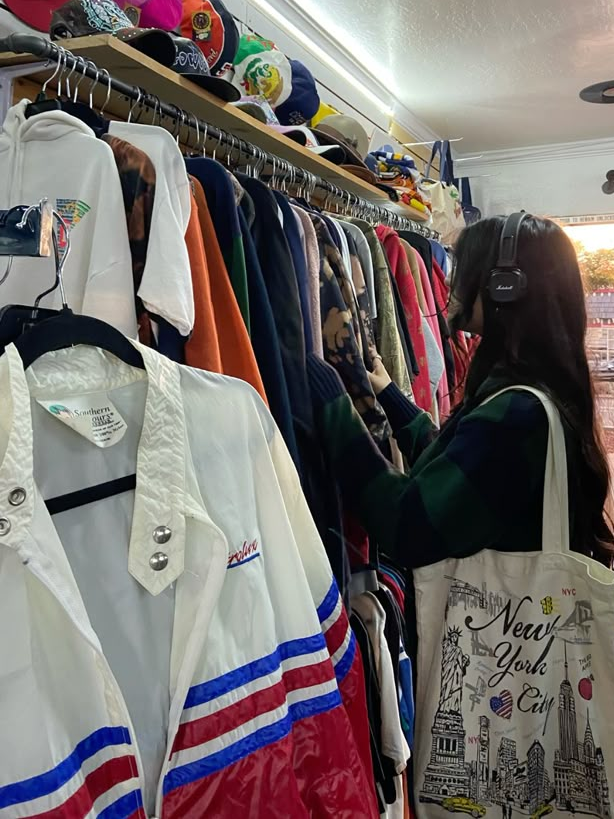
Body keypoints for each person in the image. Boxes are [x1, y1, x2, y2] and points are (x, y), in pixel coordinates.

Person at [306, 215, 614, 569]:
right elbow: (461, 469)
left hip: (494, 621)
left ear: (504, 287)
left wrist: (336, 408)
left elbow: (408, 528)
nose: (449, 280)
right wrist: (390, 395)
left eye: (464, 268)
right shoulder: (532, 392)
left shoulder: (515, 416)